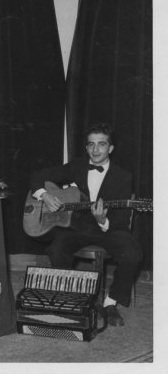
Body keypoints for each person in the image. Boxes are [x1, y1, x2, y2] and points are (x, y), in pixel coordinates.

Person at [28, 122, 143, 327]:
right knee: (56, 247)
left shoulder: (123, 176)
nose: (95, 149)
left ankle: (110, 303)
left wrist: (102, 220)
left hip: (109, 230)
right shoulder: (77, 166)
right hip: (78, 228)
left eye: (101, 144)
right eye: (91, 144)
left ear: (111, 148)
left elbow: (122, 220)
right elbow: (37, 176)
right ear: (86, 147)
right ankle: (72, 300)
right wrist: (44, 195)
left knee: (133, 253)